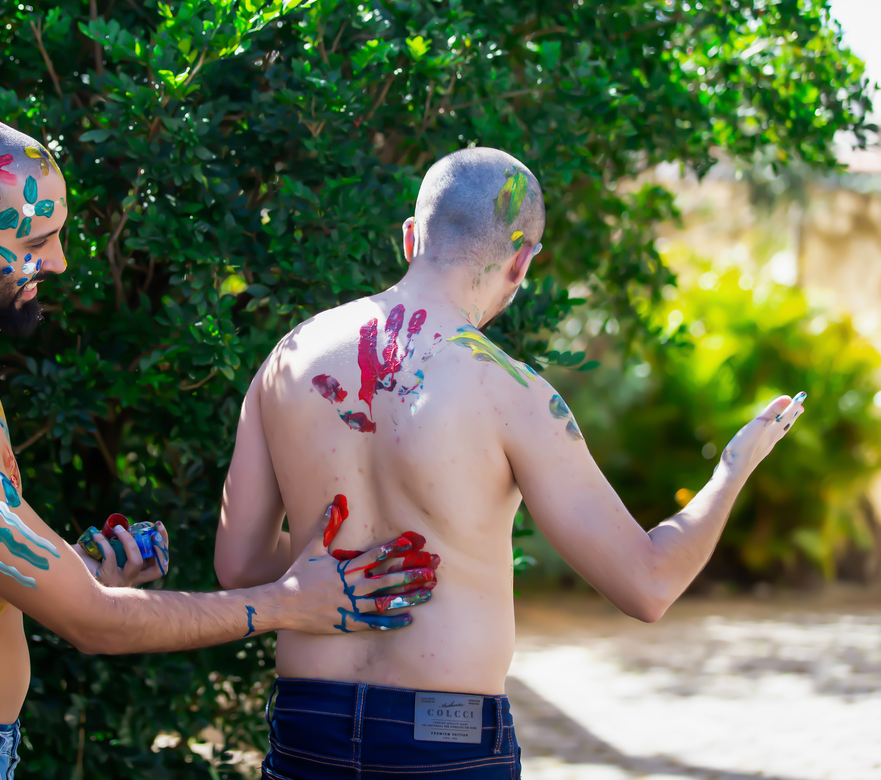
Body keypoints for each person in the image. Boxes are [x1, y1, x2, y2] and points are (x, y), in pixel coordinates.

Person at [0, 115, 437, 778]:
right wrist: (293, 601)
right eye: (37, 241)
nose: (58, 262)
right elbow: (94, 625)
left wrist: (74, 567)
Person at [214, 147, 805, 779]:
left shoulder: (290, 359)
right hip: (447, 741)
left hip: (310, 727)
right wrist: (734, 467)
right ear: (522, 261)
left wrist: (350, 569)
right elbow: (648, 585)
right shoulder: (513, 395)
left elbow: (240, 565)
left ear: (411, 237)